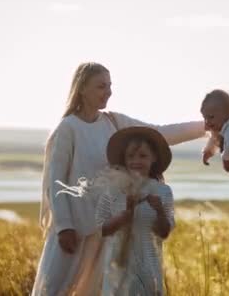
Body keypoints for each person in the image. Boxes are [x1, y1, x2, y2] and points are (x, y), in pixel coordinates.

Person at [32, 62, 204, 296]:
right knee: (51, 290)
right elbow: (56, 182)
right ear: (82, 88)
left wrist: (207, 127)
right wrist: (64, 227)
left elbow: (159, 133)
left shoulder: (113, 122)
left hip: (106, 228)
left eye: (110, 86)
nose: (109, 92)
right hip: (73, 227)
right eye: (101, 86)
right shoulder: (68, 128)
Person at [95, 126, 175, 295]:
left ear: (154, 158)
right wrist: (125, 216)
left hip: (149, 267)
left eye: (143, 156)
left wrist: (159, 211)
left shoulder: (163, 191)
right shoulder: (113, 189)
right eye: (130, 156)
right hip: (117, 266)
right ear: (124, 159)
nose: (136, 161)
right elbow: (101, 229)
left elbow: (164, 233)